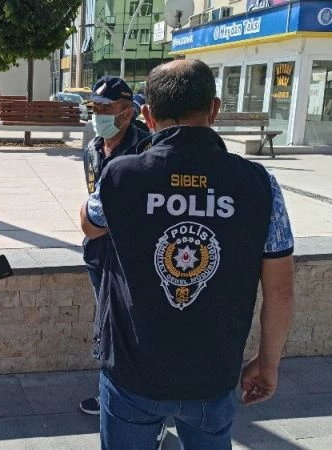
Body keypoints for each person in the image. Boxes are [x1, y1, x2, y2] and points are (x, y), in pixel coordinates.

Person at [86, 59, 295, 449]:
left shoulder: (121, 174)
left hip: (132, 374)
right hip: (213, 377)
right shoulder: (258, 185)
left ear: (148, 116)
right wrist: (268, 364)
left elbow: (90, 223)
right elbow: (280, 291)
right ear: (214, 110)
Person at [78, 76, 150, 416]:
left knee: (137, 328)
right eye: (95, 108)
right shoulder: (93, 148)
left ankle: (148, 404)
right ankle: (108, 391)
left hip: (134, 257)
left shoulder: (147, 149)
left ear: (127, 112)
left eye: (106, 109)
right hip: (99, 252)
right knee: (107, 325)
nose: (98, 115)